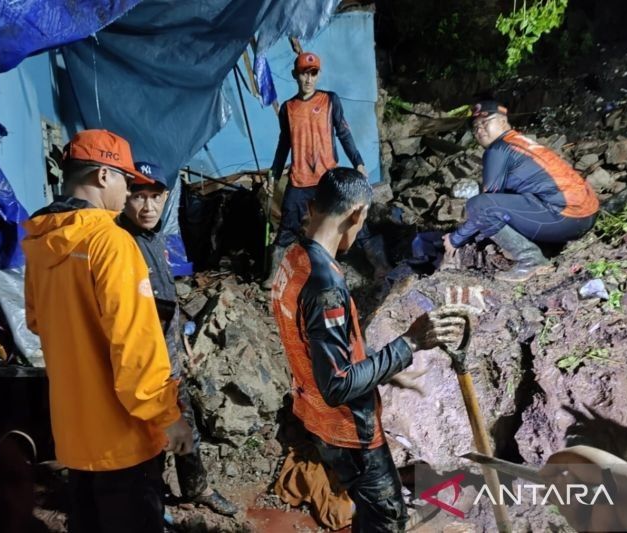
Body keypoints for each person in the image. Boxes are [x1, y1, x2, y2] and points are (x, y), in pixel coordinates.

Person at [270, 167, 467, 532]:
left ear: (312, 205)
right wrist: (408, 344)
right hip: (347, 429)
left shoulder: (293, 259)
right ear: (357, 214)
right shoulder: (325, 284)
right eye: (362, 221)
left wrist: (384, 366)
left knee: (365, 503)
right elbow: (338, 386)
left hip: (314, 415)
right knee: (387, 517)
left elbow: (321, 344)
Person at [22, 130, 193, 533]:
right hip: (123, 441)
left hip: (75, 437)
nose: (128, 191)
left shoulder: (41, 243)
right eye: (126, 181)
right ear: (103, 176)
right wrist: (169, 418)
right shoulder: (110, 242)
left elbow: (36, 322)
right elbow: (135, 348)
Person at [118, 161, 238, 516]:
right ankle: (151, 509)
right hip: (145, 369)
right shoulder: (121, 245)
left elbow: (164, 302)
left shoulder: (153, 239)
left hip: (170, 361)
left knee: (188, 432)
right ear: (124, 197)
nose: (148, 206)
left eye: (155, 197)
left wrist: (181, 343)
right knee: (149, 443)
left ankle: (195, 488)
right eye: (138, 196)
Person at [263, 51, 389, 288]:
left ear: (319, 74)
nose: (308, 79)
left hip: (328, 178)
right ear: (295, 75)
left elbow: (343, 133)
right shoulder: (288, 108)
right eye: (303, 73)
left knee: (353, 220)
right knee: (287, 228)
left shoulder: (330, 100)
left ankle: (380, 265)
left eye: (313, 73)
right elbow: (283, 145)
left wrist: (358, 163)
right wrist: (274, 173)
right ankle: (274, 277)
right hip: (299, 179)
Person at [443, 100, 599, 282]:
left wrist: (456, 239)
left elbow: (486, 204)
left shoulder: (498, 149)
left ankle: (530, 260)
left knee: (478, 205)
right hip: (587, 215)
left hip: (567, 218)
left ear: (502, 122)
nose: (480, 130)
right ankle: (545, 246)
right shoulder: (519, 142)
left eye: (486, 123)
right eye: (476, 128)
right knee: (500, 203)